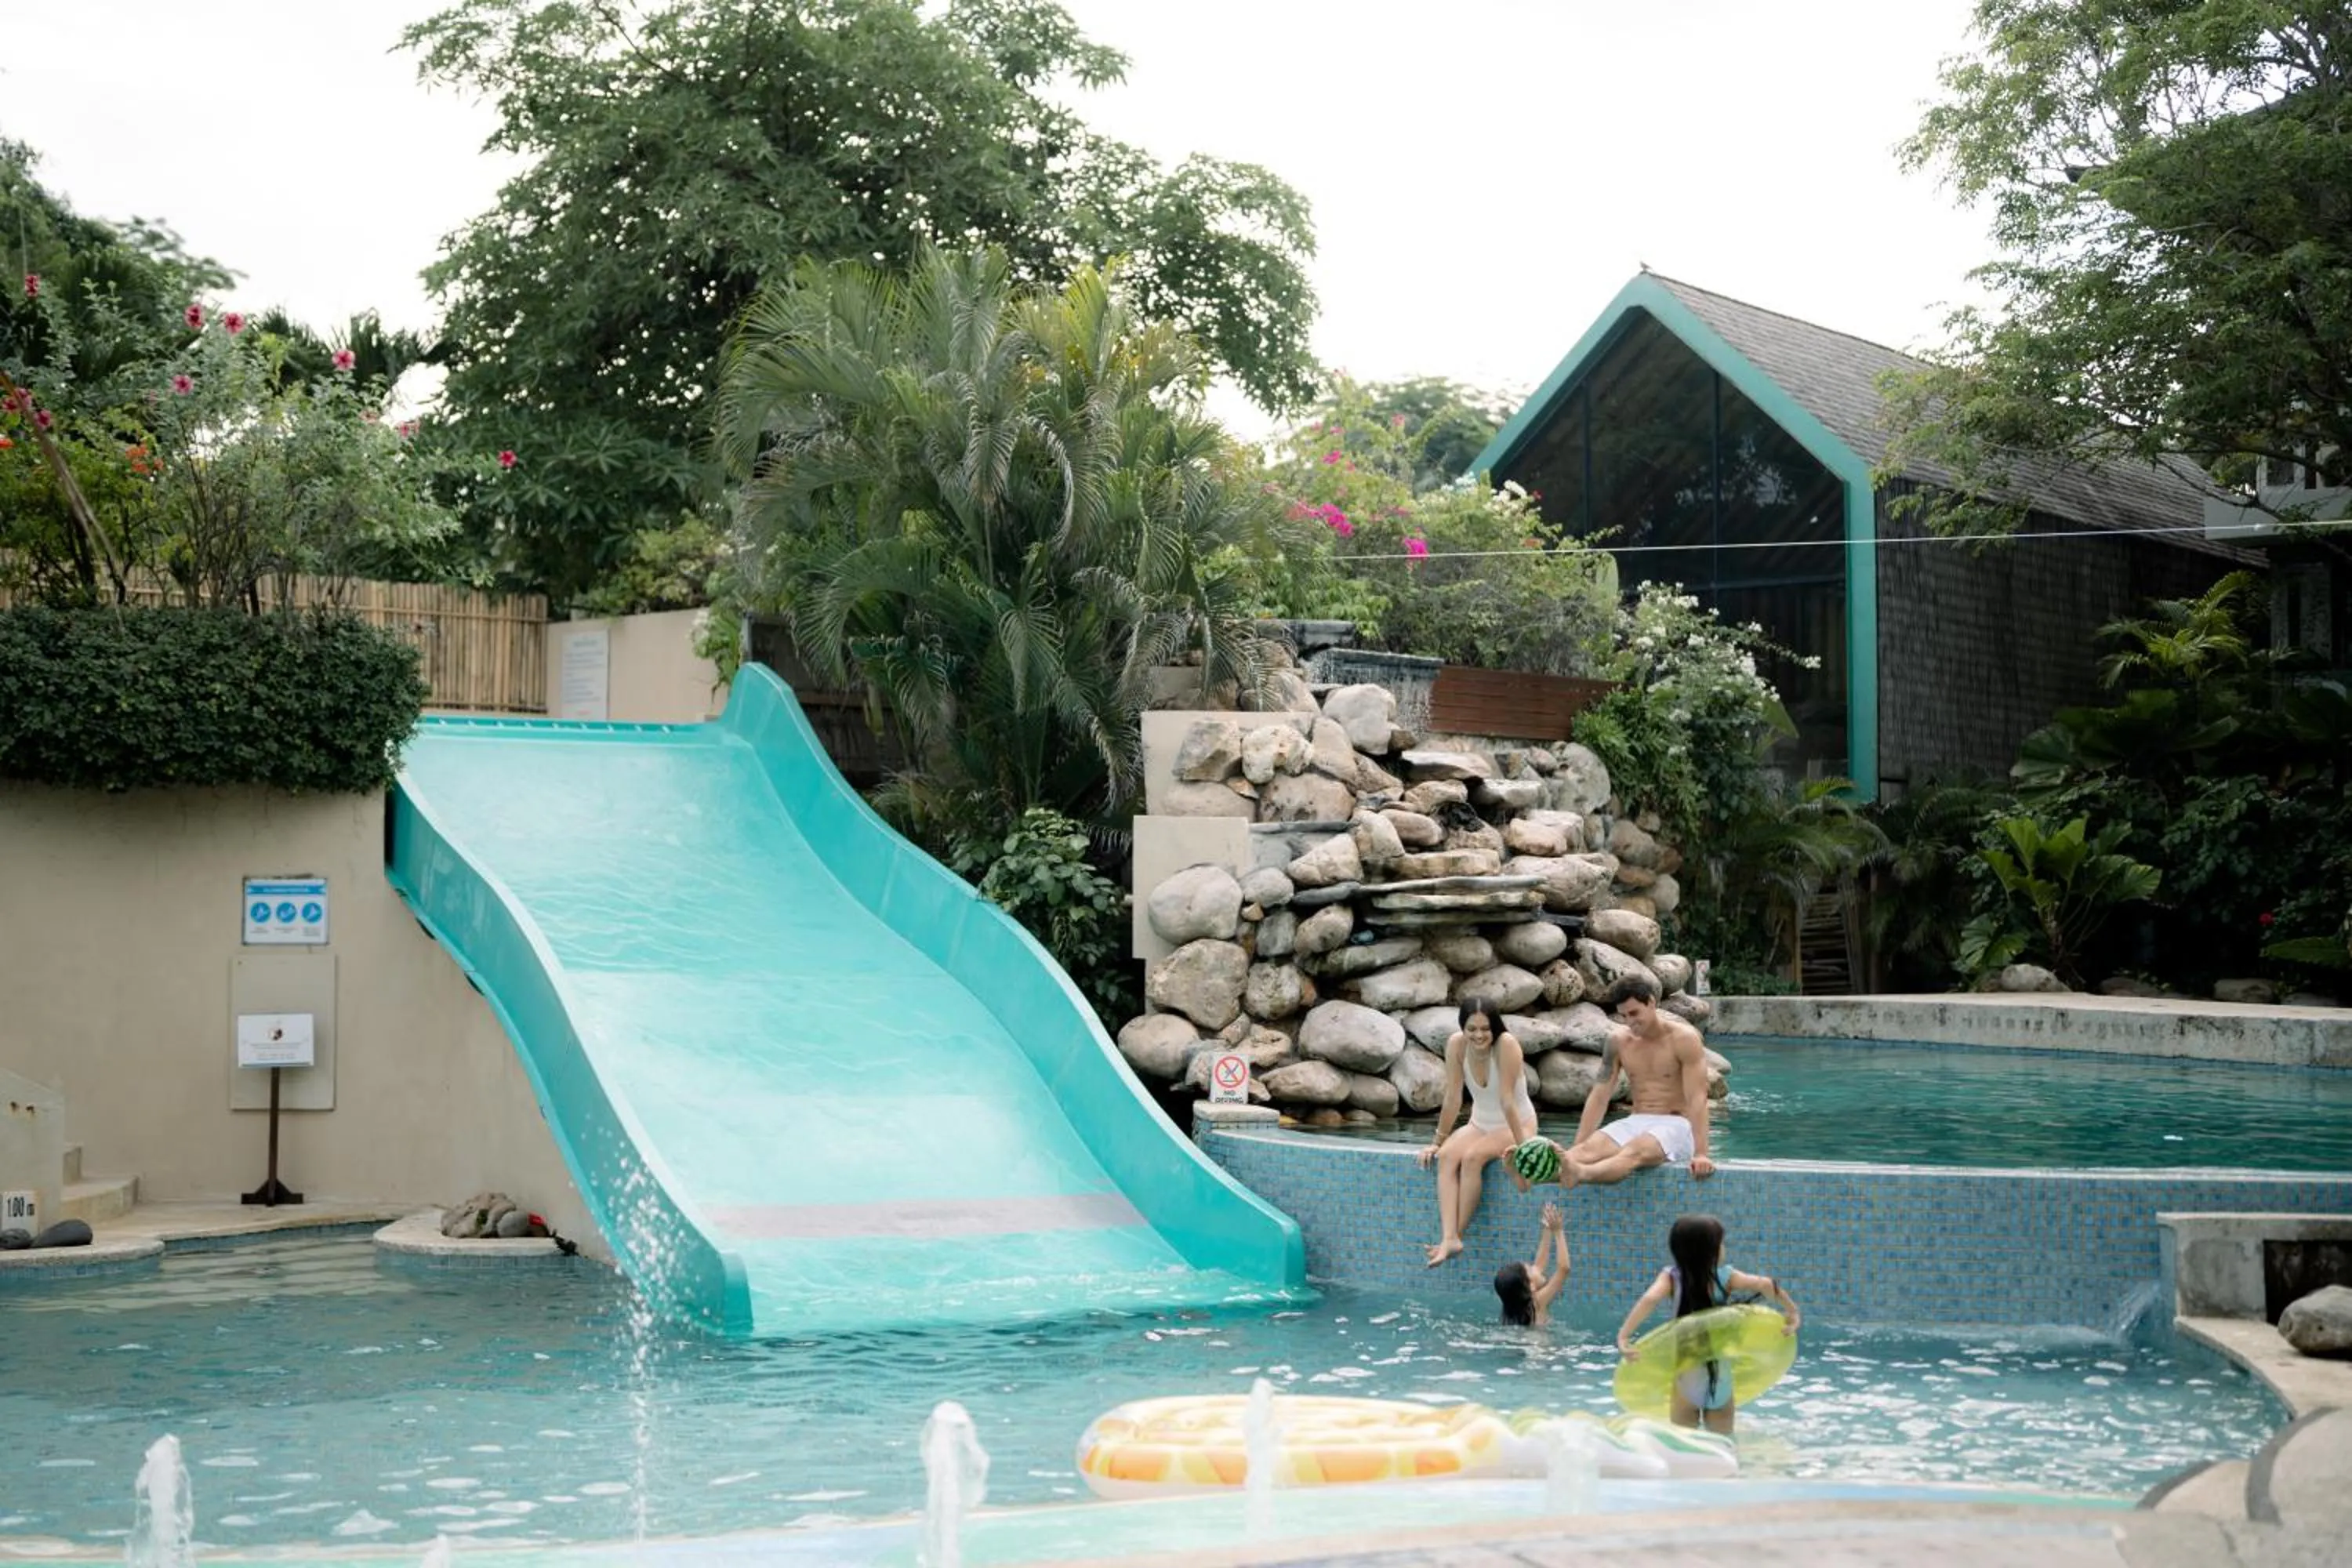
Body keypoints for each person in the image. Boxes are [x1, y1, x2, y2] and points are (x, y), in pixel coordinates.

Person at [1516, 974, 1715, 1190]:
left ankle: (1580, 1174)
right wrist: (1579, 1145)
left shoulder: (1683, 1039)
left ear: (1651, 1002)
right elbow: (1600, 1096)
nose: (1630, 1022)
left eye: (1634, 1013)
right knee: (1581, 1153)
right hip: (1637, 1120)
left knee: (1632, 1152)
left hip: (1676, 1124)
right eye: (1624, 1016)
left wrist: (1701, 1153)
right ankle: (1525, 1170)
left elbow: (1698, 1098)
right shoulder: (1618, 1041)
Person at [1614, 1214, 1799, 1433]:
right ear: (1712, 1250)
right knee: (1723, 1445)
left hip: (1686, 1378)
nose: (1724, 1247)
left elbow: (1650, 1299)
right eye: (1721, 1243)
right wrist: (1792, 1311)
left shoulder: (1672, 1277)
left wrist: (1624, 1336)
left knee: (1686, 1444)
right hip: (1720, 1379)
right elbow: (1765, 1284)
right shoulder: (1726, 1277)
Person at [1416, 999, 1537, 1267]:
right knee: (1447, 1156)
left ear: (1495, 1027)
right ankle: (1448, 1236)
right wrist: (1437, 1141)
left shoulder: (1506, 1045)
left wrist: (1525, 1148)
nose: (1479, 1035)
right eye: (1472, 1029)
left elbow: (1507, 1101)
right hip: (1480, 1122)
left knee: (1473, 1158)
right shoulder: (1456, 1045)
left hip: (1517, 1123)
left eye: (1485, 1028)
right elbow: (1453, 1097)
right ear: (1463, 1027)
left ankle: (1456, 1236)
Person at [1494, 1202, 1570, 1327]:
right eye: (1530, 1269)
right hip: (1539, 1346)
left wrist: (1547, 1228)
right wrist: (1558, 1231)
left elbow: (1539, 1264)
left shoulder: (1519, 1305)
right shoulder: (1536, 1303)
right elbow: (1564, 1269)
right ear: (1531, 1286)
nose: (1536, 1267)